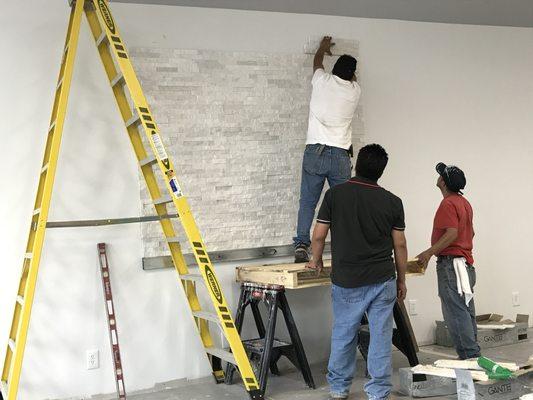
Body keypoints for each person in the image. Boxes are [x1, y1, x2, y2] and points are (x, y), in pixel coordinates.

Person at [307, 144, 408, 400]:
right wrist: (402, 280)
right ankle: (378, 391)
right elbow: (400, 245)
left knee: (344, 332)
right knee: (381, 336)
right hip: (383, 279)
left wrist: (315, 261)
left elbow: (318, 236)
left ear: (356, 165)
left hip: (347, 280)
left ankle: (340, 388)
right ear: (380, 172)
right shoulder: (393, 202)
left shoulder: (335, 196)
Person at [294, 35, 362, 263]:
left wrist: (322, 48)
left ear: (334, 69)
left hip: (316, 152)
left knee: (308, 202)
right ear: (352, 74)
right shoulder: (354, 91)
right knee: (342, 206)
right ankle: (345, 247)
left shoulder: (322, 80)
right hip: (341, 156)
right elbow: (350, 77)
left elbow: (317, 63)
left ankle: (302, 246)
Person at [416, 163, 481, 360]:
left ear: (443, 182)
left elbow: (452, 233)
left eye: (440, 176)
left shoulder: (448, 203)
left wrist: (428, 253)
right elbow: (471, 232)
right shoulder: (464, 202)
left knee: (455, 313)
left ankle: (469, 358)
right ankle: (474, 354)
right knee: (466, 310)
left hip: (452, 265)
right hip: (465, 264)